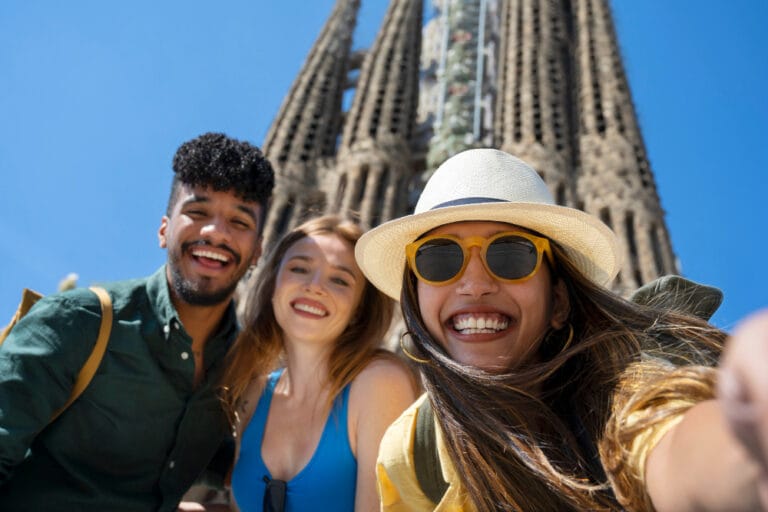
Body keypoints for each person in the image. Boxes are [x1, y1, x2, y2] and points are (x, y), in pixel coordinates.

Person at [354, 148, 767, 511]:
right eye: (438, 260)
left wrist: (745, 450)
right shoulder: (414, 449)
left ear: (559, 301)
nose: (474, 284)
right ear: (416, 298)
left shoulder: (621, 385)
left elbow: (672, 447)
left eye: (512, 256)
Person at [0, 132, 275, 511]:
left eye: (240, 221)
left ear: (258, 250)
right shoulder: (80, 322)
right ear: (164, 229)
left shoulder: (241, 374)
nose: (216, 232)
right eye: (197, 213)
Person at [222, 215, 418, 512]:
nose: (315, 286)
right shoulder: (254, 393)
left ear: (358, 309)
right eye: (299, 269)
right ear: (274, 284)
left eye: (339, 280)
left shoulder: (378, 384)